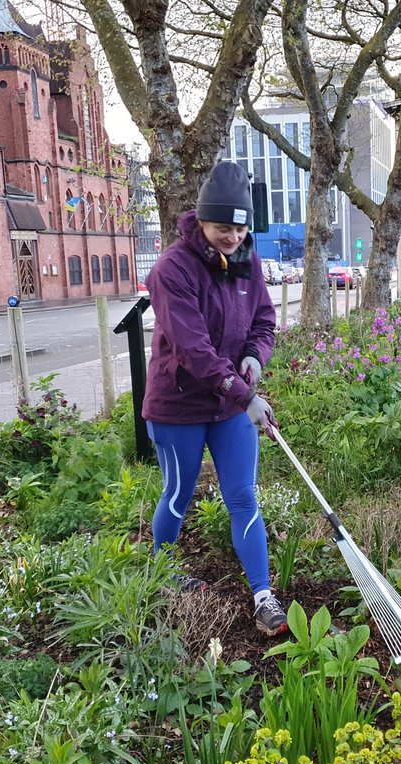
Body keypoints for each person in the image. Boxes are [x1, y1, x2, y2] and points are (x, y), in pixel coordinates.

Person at [142, 161, 287, 636]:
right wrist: (246, 395)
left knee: (243, 495)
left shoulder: (248, 260)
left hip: (229, 406)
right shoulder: (171, 270)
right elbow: (193, 350)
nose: (233, 237)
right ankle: (162, 570)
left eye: (241, 227)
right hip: (178, 407)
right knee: (179, 492)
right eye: (223, 228)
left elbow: (264, 321)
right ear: (201, 221)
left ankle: (263, 596)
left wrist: (254, 359)